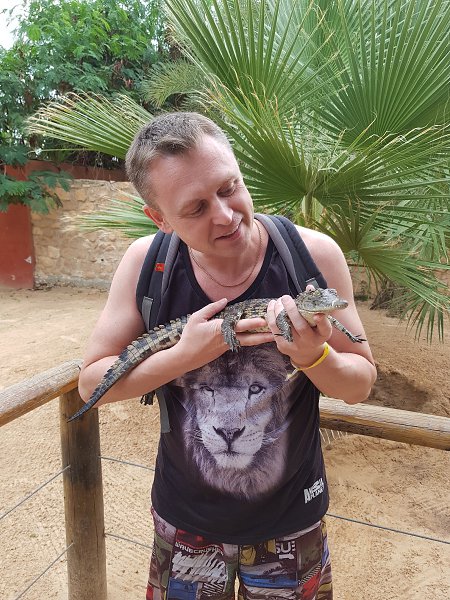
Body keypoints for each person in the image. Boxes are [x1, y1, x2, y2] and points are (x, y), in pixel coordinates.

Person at [78, 112, 377, 600]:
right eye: (195, 208)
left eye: (229, 187)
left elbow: (361, 383)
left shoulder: (313, 256)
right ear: (160, 219)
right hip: (186, 521)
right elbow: (93, 384)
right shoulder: (146, 263)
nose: (224, 215)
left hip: (291, 518)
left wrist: (313, 356)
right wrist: (186, 355)